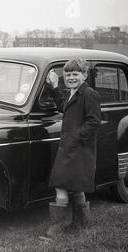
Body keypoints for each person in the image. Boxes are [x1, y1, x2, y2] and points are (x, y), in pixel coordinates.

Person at [45, 59, 101, 237]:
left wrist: (76, 137)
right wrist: (54, 86)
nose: (70, 77)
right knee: (76, 187)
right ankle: (81, 224)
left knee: (60, 183)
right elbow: (64, 107)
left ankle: (57, 228)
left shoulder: (88, 93)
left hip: (78, 148)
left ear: (84, 75)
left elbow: (94, 121)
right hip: (73, 148)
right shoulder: (73, 92)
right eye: (67, 74)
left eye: (75, 74)